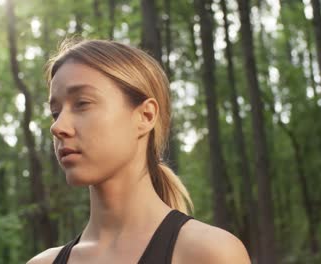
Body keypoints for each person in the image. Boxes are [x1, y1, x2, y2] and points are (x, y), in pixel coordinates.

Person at [27, 39, 250, 264]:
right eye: (55, 113)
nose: (57, 127)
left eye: (82, 103)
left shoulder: (209, 254)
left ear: (145, 116)